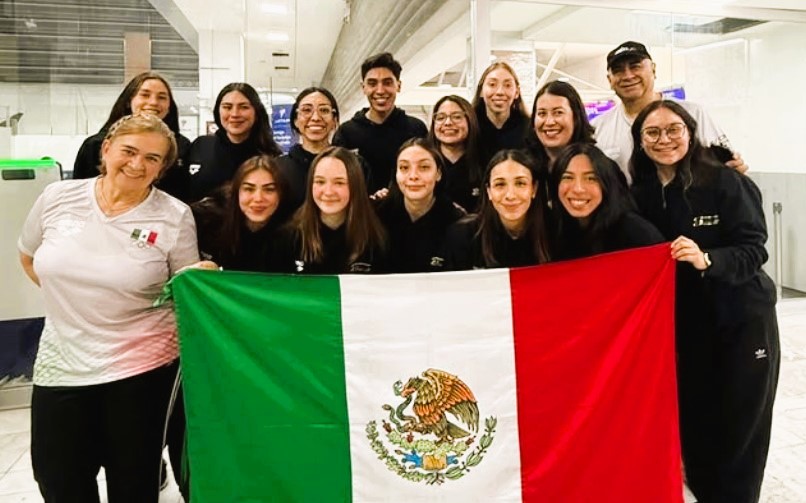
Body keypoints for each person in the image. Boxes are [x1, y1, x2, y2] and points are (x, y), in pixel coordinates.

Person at [17, 113, 200, 503]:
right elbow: (29, 258)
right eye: (128, 151)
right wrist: (78, 304)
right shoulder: (57, 197)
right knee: (57, 478)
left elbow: (186, 289)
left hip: (142, 368)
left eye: (152, 158)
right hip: (61, 362)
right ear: (106, 150)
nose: (137, 164)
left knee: (133, 484)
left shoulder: (174, 216)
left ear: (162, 168)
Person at [629, 100, 779, 503]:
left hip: (742, 323)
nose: (664, 140)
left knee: (739, 436)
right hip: (688, 328)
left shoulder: (725, 181)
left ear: (690, 133)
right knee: (696, 431)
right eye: (652, 132)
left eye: (673, 130)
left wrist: (708, 259)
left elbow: (754, 249)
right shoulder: (641, 193)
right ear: (640, 141)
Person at [592, 40, 747, 181]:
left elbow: (729, 165)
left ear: (653, 70)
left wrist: (734, 170)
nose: (628, 75)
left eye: (635, 66)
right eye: (618, 70)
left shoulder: (693, 113)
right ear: (609, 80)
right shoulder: (598, 128)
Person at [72, 71, 191, 201]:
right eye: (145, 95)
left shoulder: (183, 147)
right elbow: (80, 192)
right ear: (129, 101)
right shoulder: (95, 145)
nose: (153, 102)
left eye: (162, 97)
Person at [275, 146, 387, 274]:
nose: (328, 192)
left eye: (339, 183)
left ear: (355, 186)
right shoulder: (288, 239)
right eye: (320, 182)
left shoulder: (375, 239)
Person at [332, 52, 427, 193]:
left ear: (398, 86)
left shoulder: (416, 129)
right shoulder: (346, 133)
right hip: (360, 206)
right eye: (372, 83)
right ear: (363, 87)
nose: (380, 90)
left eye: (387, 83)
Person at [548, 143, 662, 260]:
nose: (578, 189)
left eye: (591, 178)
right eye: (568, 177)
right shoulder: (552, 229)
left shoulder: (635, 233)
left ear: (606, 184)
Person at [444, 149, 551, 270]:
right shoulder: (462, 237)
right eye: (500, 184)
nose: (510, 195)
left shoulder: (556, 232)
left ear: (534, 189)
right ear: (489, 191)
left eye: (520, 183)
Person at [375, 138, 465, 273]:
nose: (413, 176)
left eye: (424, 167)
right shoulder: (376, 216)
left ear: (438, 173)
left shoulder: (458, 223)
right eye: (404, 168)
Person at [185, 82, 282, 203]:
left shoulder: (271, 157)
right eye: (227, 107)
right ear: (218, 111)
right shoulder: (200, 146)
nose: (235, 114)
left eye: (244, 107)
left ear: (256, 113)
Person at [194, 155, 291, 271]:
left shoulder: (293, 235)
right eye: (249, 189)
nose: (258, 198)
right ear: (236, 192)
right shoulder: (209, 222)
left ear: (281, 194)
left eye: (269, 189)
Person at [276, 87, 340, 210]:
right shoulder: (277, 168)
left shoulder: (353, 165)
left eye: (324, 110)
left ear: (334, 120)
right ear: (295, 120)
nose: (315, 118)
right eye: (306, 110)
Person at [427, 95, 483, 212]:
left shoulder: (484, 161)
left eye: (457, 117)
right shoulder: (424, 161)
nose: (448, 123)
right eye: (440, 118)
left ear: (470, 120)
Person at [527, 80, 597, 171]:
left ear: (576, 117)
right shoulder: (523, 168)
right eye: (542, 113)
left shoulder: (597, 167)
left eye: (558, 113)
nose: (549, 122)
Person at [471, 61, 530, 168]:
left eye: (507, 85)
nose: (500, 92)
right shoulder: (469, 127)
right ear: (481, 91)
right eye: (492, 85)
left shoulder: (529, 128)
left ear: (516, 92)